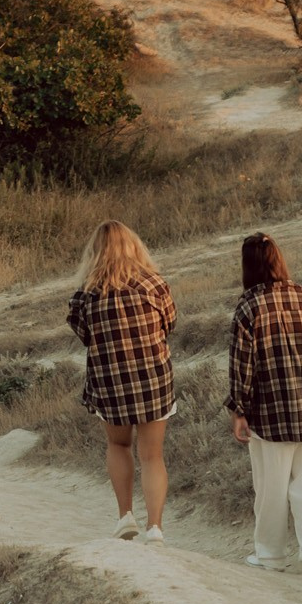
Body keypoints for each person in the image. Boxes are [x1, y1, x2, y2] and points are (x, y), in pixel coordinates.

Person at [226, 231, 302, 572]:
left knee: (270, 488)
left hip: (268, 415)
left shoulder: (248, 308)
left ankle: (271, 556)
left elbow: (241, 366)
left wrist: (238, 410)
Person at [67, 221, 176, 541]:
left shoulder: (85, 294)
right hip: (153, 377)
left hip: (109, 380)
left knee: (118, 444)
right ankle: (155, 527)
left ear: (95, 251)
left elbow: (84, 336)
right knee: (152, 455)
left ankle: (125, 515)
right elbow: (169, 324)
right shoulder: (154, 284)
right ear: (134, 246)